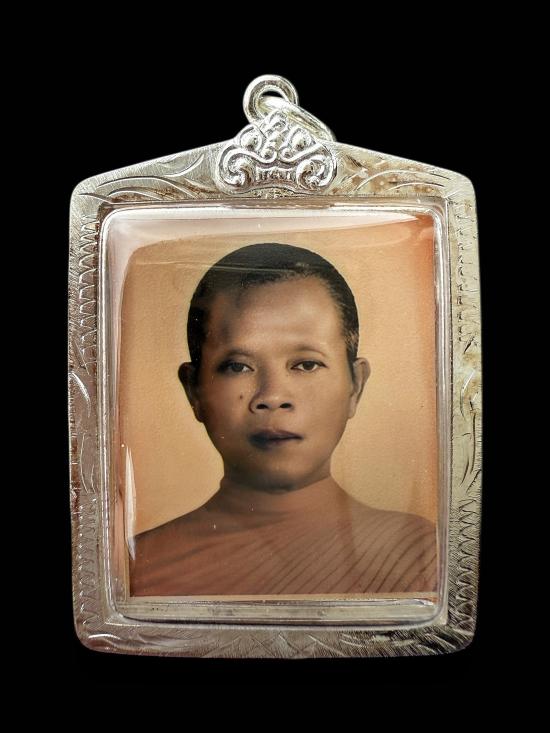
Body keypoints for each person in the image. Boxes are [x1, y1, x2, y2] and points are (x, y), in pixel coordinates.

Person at [130, 243, 437, 596]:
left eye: (306, 364)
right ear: (194, 390)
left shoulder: (419, 556)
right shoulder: (137, 568)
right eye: (238, 367)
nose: (273, 396)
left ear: (355, 385)